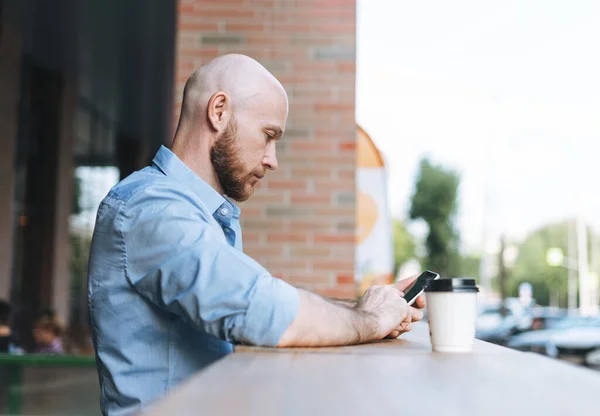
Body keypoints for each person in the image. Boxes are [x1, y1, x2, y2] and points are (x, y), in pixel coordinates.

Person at [88, 53, 426, 415]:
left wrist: (367, 306)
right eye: (268, 136)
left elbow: (256, 294)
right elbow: (260, 308)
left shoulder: (197, 214)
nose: (272, 159)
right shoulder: (150, 207)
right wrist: (370, 321)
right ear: (218, 111)